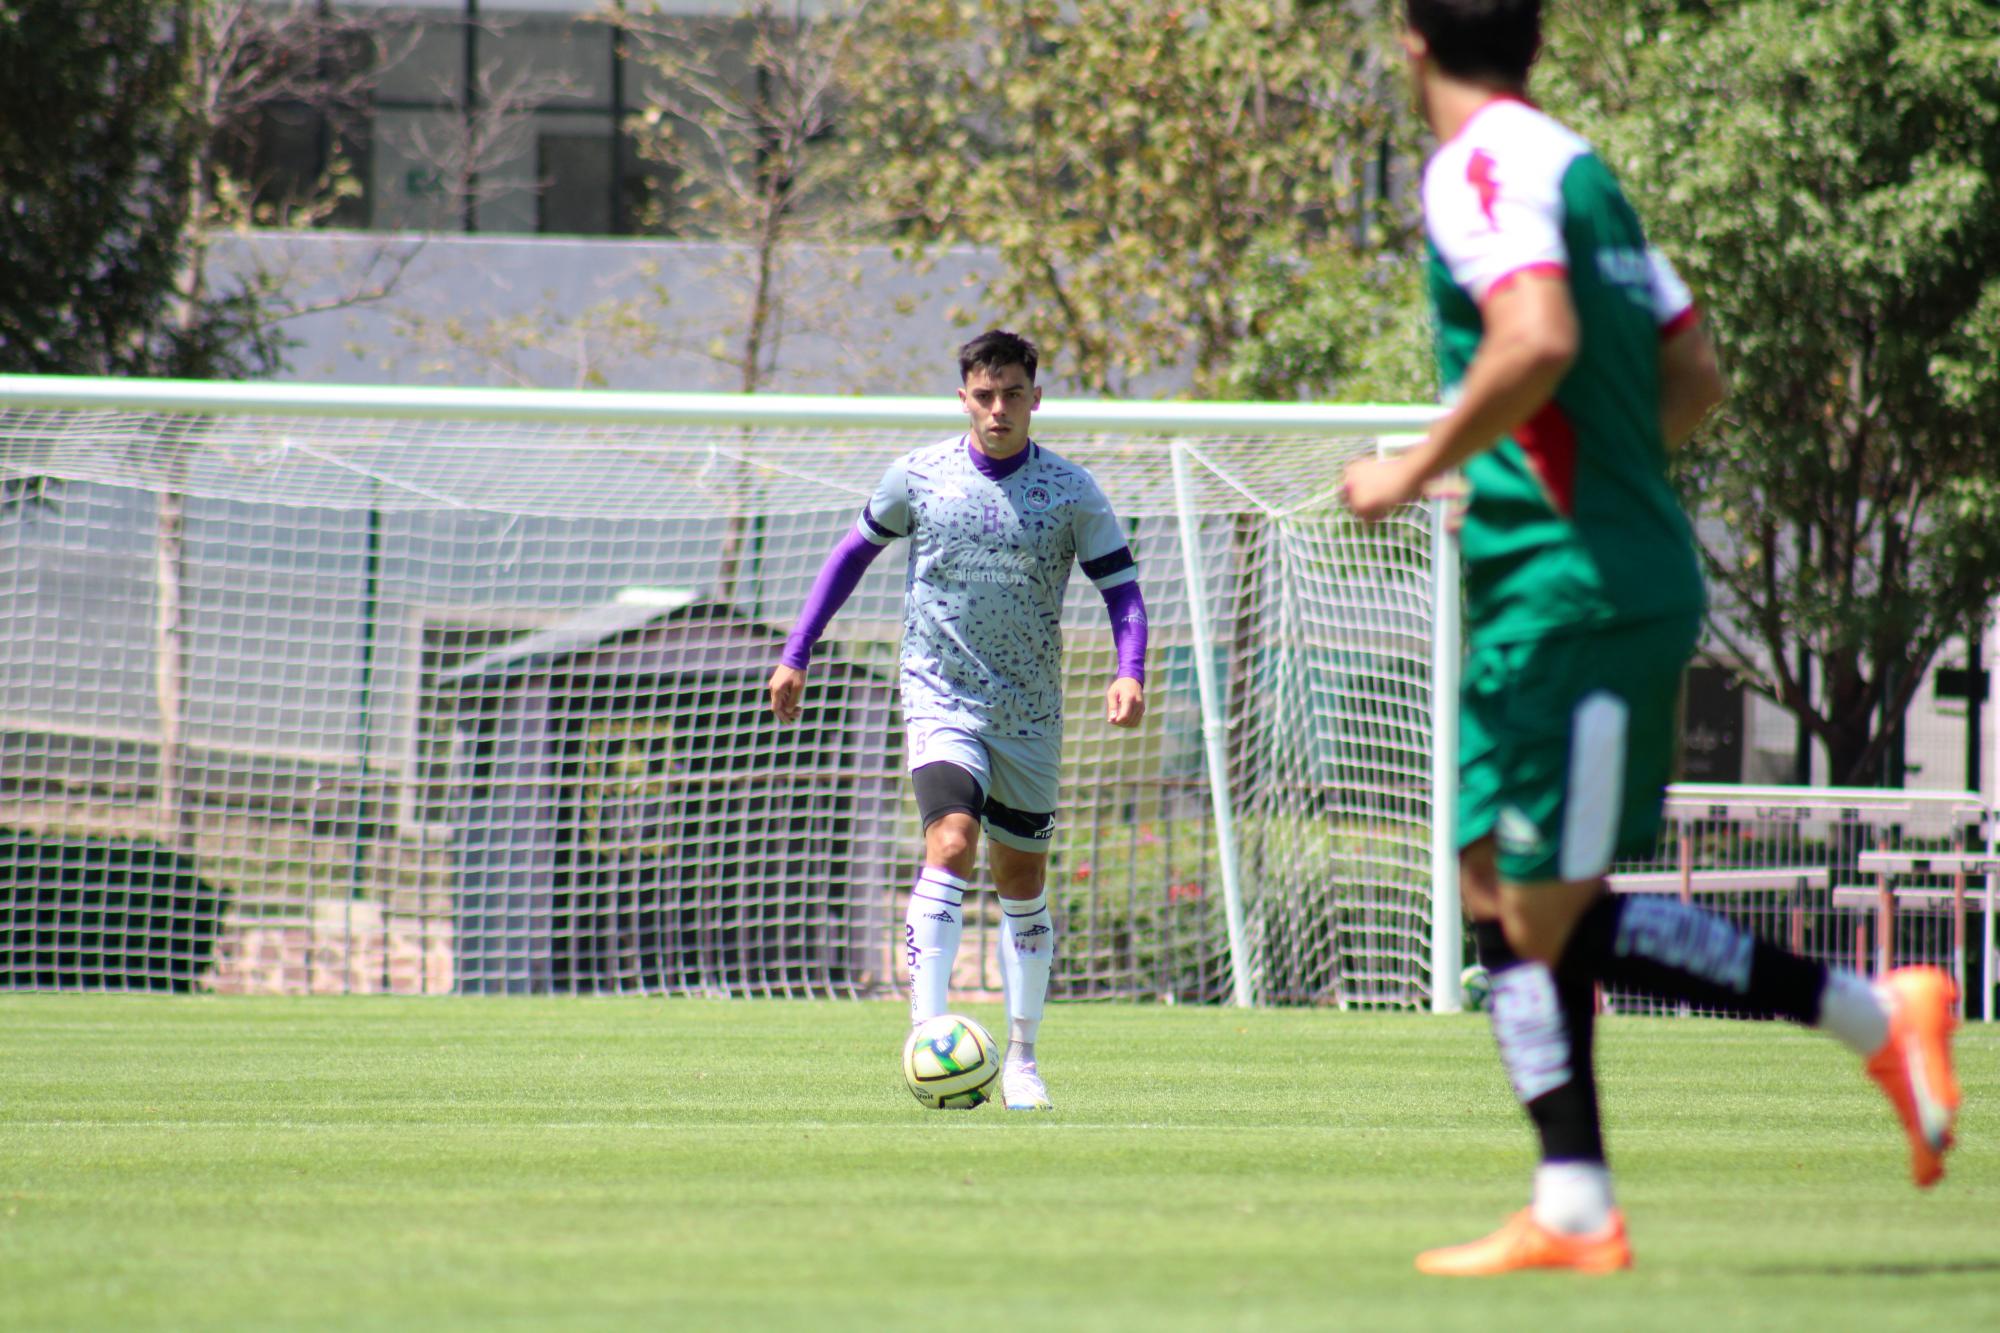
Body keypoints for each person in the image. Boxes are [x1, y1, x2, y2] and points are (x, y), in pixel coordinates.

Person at [1341, 0, 1961, 1276]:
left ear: (1410, 41)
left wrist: (1415, 466)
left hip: (1573, 593)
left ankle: (1873, 1014)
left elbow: (1536, 336)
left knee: (1542, 908)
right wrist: (1584, 480)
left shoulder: (1477, 166)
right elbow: (1695, 373)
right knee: (1482, 876)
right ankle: (1568, 1200)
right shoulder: (1580, 168)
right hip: (1564, 575)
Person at [768, 329, 1148, 1111]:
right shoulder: (919, 476)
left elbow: (1123, 591)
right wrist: (796, 650)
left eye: (1013, 393)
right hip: (939, 695)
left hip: (1030, 714)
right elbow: (850, 555)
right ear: (964, 397)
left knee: (1022, 880)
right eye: (984, 394)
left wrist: (1129, 669)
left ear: (1035, 397)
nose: (999, 407)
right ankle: (928, 1032)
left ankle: (1023, 1060)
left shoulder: (1072, 492)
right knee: (950, 839)